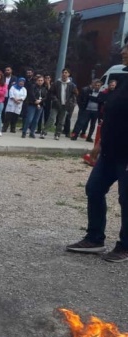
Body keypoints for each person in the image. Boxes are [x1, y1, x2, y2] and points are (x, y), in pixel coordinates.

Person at [66, 38, 128, 263]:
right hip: (110, 151)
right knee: (94, 189)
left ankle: (125, 246)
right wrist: (99, 144)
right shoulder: (122, 77)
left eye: (127, 47)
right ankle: (94, 238)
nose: (123, 51)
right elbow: (112, 115)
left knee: (126, 199)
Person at [50, 68, 77, 140]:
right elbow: (51, 93)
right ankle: (44, 132)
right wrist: (55, 100)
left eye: (66, 73)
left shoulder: (72, 85)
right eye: (63, 72)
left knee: (61, 121)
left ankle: (57, 134)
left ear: (69, 74)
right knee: (52, 119)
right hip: (56, 104)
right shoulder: (57, 83)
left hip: (65, 105)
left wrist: (70, 102)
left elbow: (75, 94)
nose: (64, 74)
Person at [22, 74, 47, 139]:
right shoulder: (33, 86)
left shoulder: (44, 88)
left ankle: (32, 132)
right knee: (29, 119)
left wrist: (40, 101)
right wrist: (36, 101)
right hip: (32, 104)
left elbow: (46, 97)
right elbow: (31, 94)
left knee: (36, 120)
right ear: (36, 81)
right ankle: (24, 131)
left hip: (40, 105)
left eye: (41, 80)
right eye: (39, 80)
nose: (40, 82)